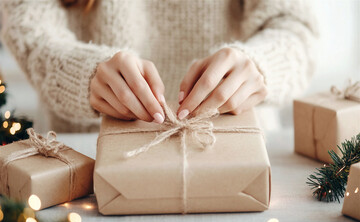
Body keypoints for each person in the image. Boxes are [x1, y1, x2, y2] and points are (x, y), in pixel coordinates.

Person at [1, 0, 317, 132]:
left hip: (238, 149)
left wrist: (261, 65)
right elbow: (29, 30)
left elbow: (295, 26)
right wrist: (82, 74)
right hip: (86, 167)